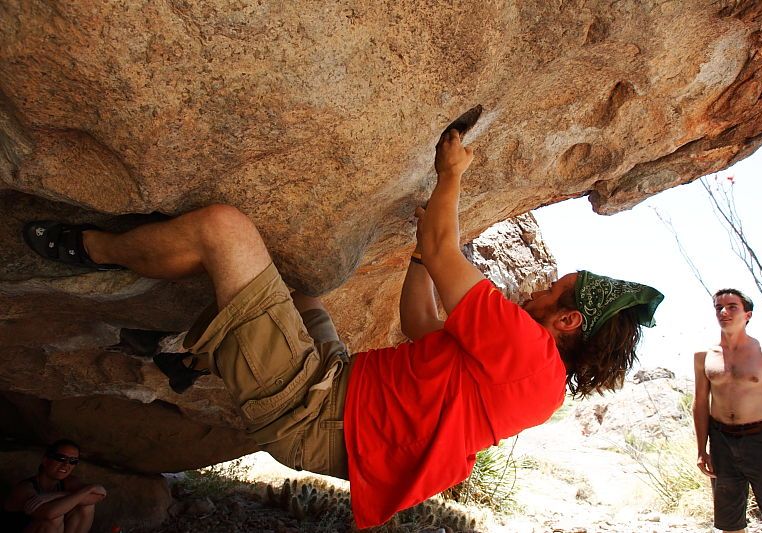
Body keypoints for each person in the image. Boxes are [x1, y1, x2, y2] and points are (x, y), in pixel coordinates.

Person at [22, 128, 663, 528]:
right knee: (302, 297)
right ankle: (186, 358)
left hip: (312, 408)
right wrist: (417, 253)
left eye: (554, 290)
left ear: (569, 319)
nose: (540, 286)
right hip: (334, 399)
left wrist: (452, 176)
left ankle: (93, 248)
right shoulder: (532, 384)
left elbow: (447, 254)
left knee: (224, 231)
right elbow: (419, 324)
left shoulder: (527, 351)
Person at [693, 288, 762, 533]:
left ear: (747, 315)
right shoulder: (704, 358)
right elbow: (700, 404)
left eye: (732, 307)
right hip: (721, 442)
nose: (723, 312)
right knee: (729, 521)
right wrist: (701, 449)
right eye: (718, 307)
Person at [3, 439, 106, 533]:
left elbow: (98, 495)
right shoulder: (25, 488)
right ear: (46, 460)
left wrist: (58, 495)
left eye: (73, 461)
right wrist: (86, 490)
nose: (66, 464)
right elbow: (50, 513)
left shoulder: (69, 482)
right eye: (61, 458)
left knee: (86, 506)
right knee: (55, 517)